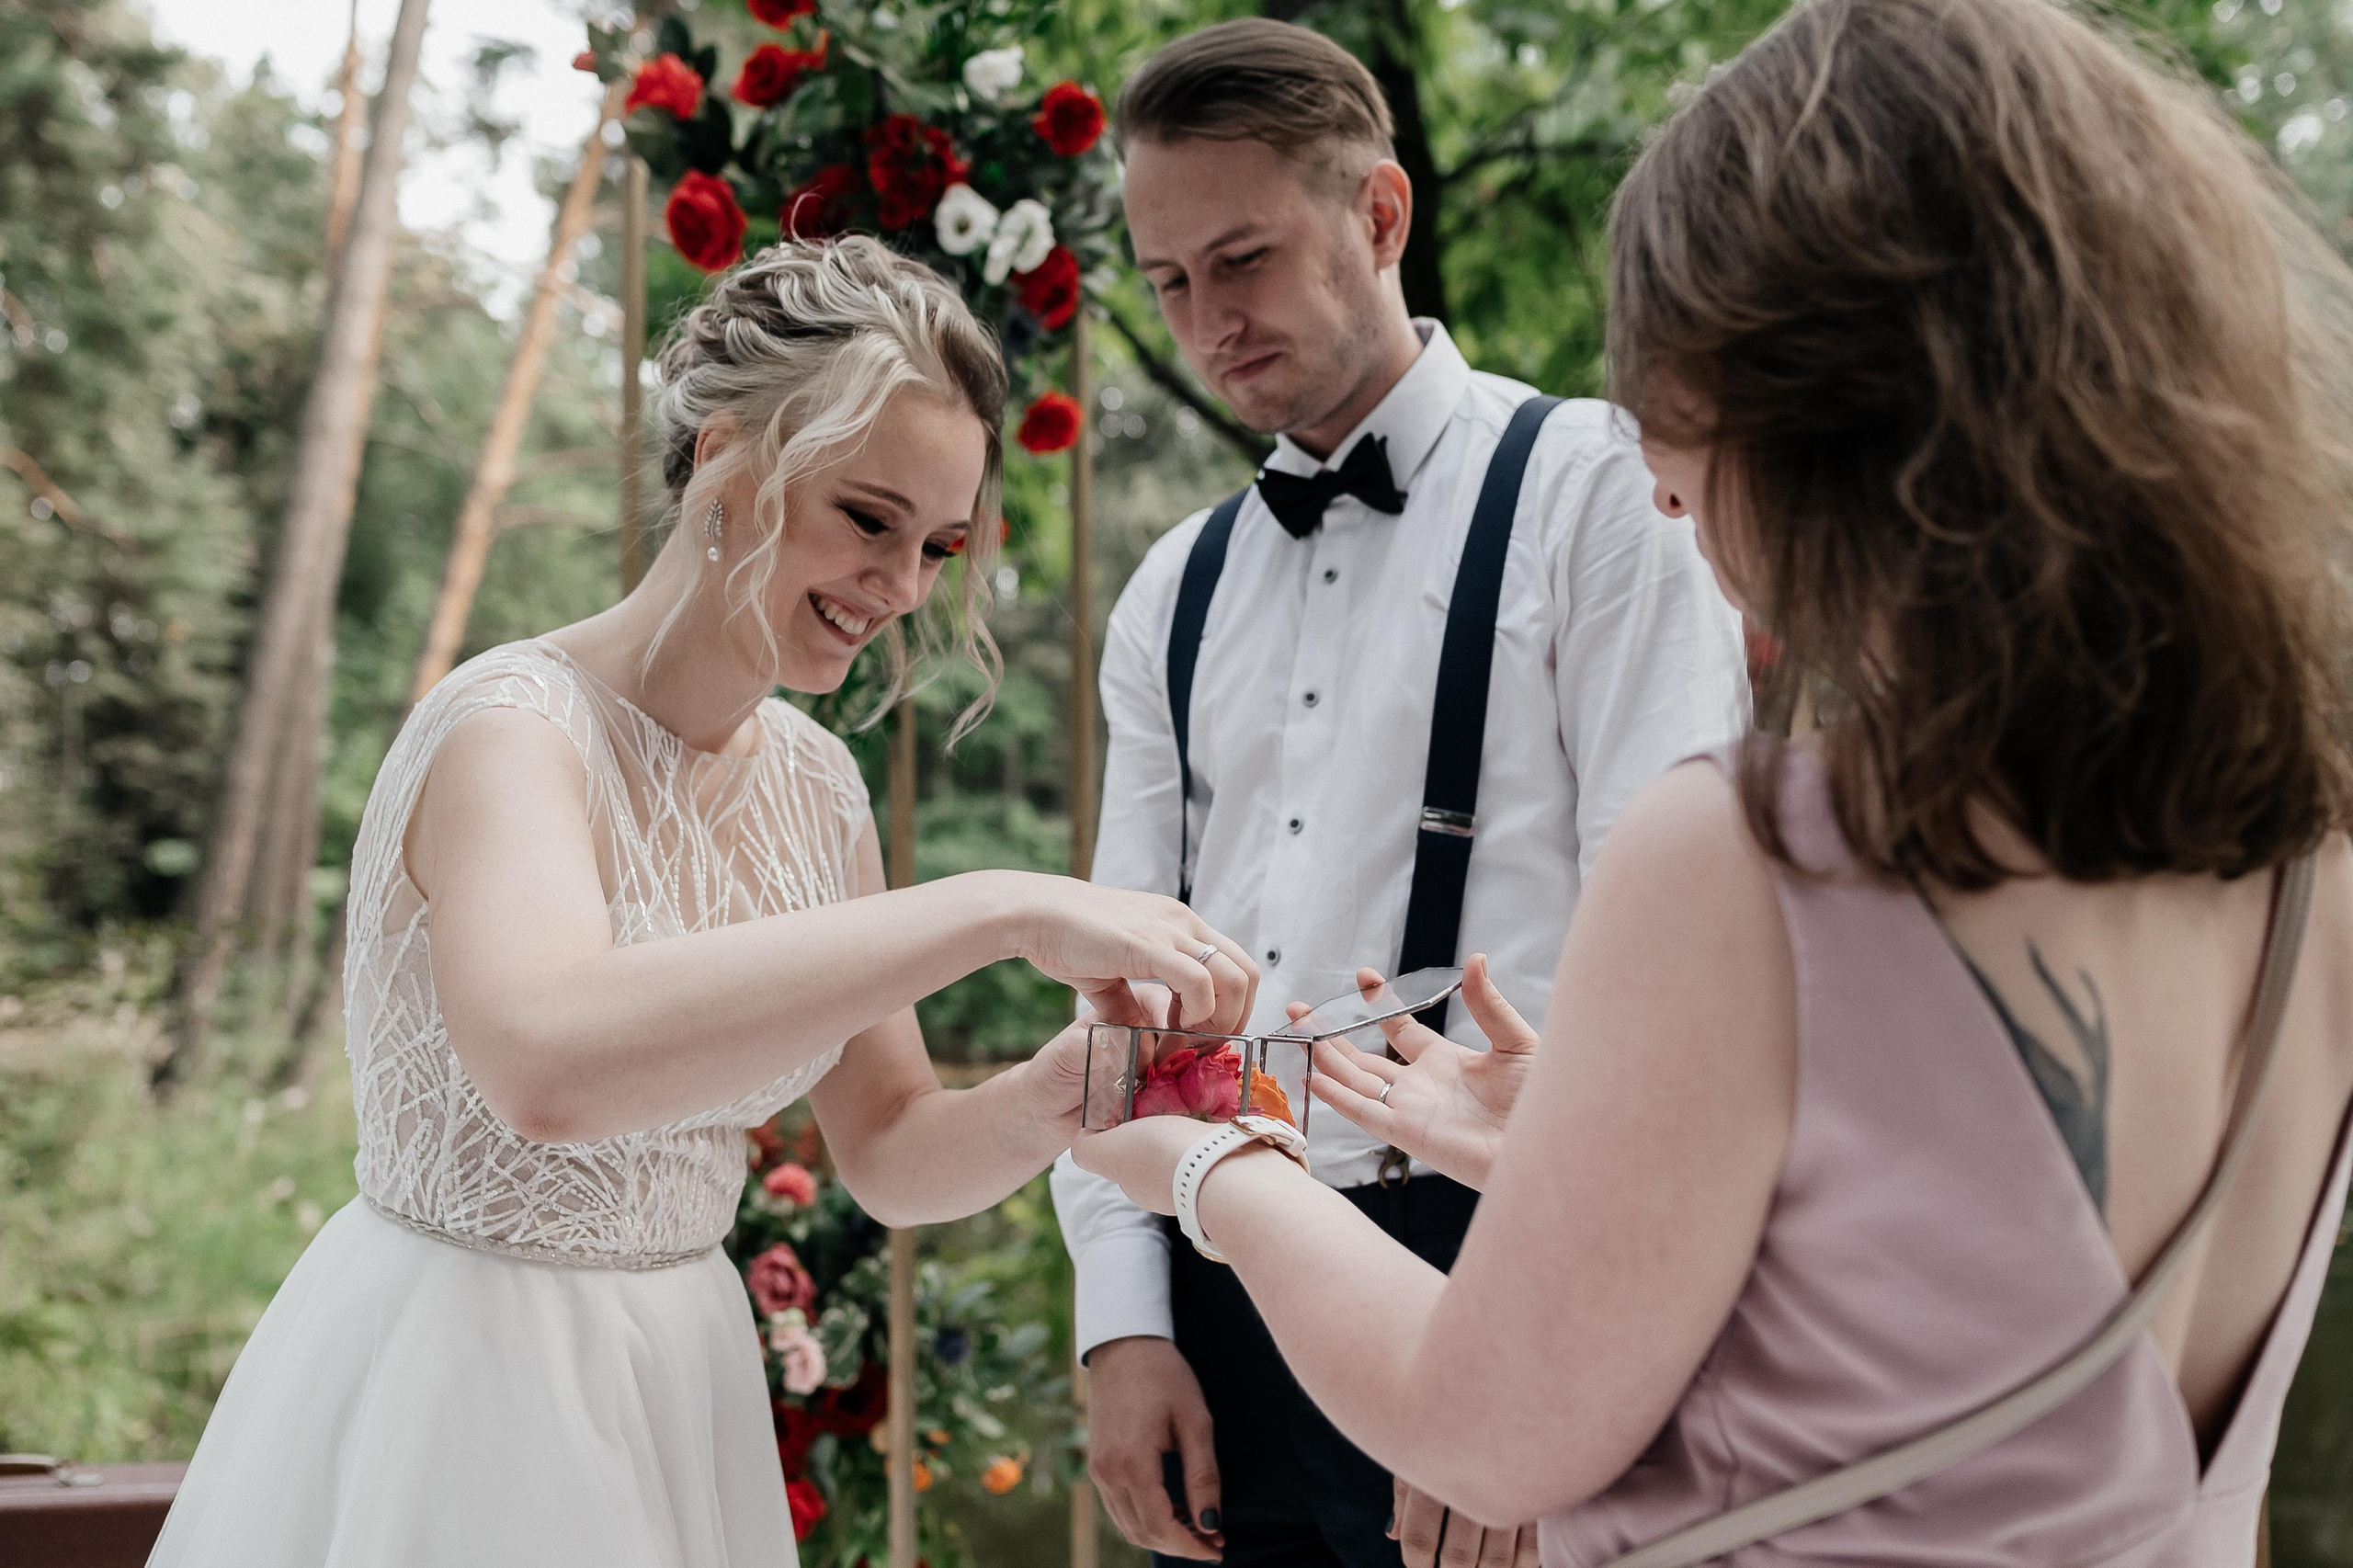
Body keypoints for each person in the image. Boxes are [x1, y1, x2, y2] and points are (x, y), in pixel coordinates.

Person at [1074, 0, 2353, 1562]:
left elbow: (1494, 1418)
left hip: (1440, 1307)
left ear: (1824, 404)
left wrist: (1192, 1156)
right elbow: (1961, 1292)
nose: (1670, 494)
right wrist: (1557, 1136)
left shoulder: (1751, 851)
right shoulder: (2311, 848)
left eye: (1681, 417)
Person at [146, 237, 1256, 1568]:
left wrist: (1054, 1091)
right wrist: (1003, 907)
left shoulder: (816, 784)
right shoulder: (513, 734)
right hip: (462, 1385)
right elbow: (549, 1064)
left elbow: (893, 1148)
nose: (904, 588)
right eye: (868, 517)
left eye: (939, 544)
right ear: (727, 454)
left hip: (685, 1380)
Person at [1051, 20, 1747, 1567]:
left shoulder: (1604, 494)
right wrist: (1123, 1321)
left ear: (1378, 214)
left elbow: (1673, 969)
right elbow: (1119, 996)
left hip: (1491, 1265)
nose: (1206, 323)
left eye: (1243, 259)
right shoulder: (1173, 591)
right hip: (1218, 1278)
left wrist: (1542, 1359)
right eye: (1169, 283)